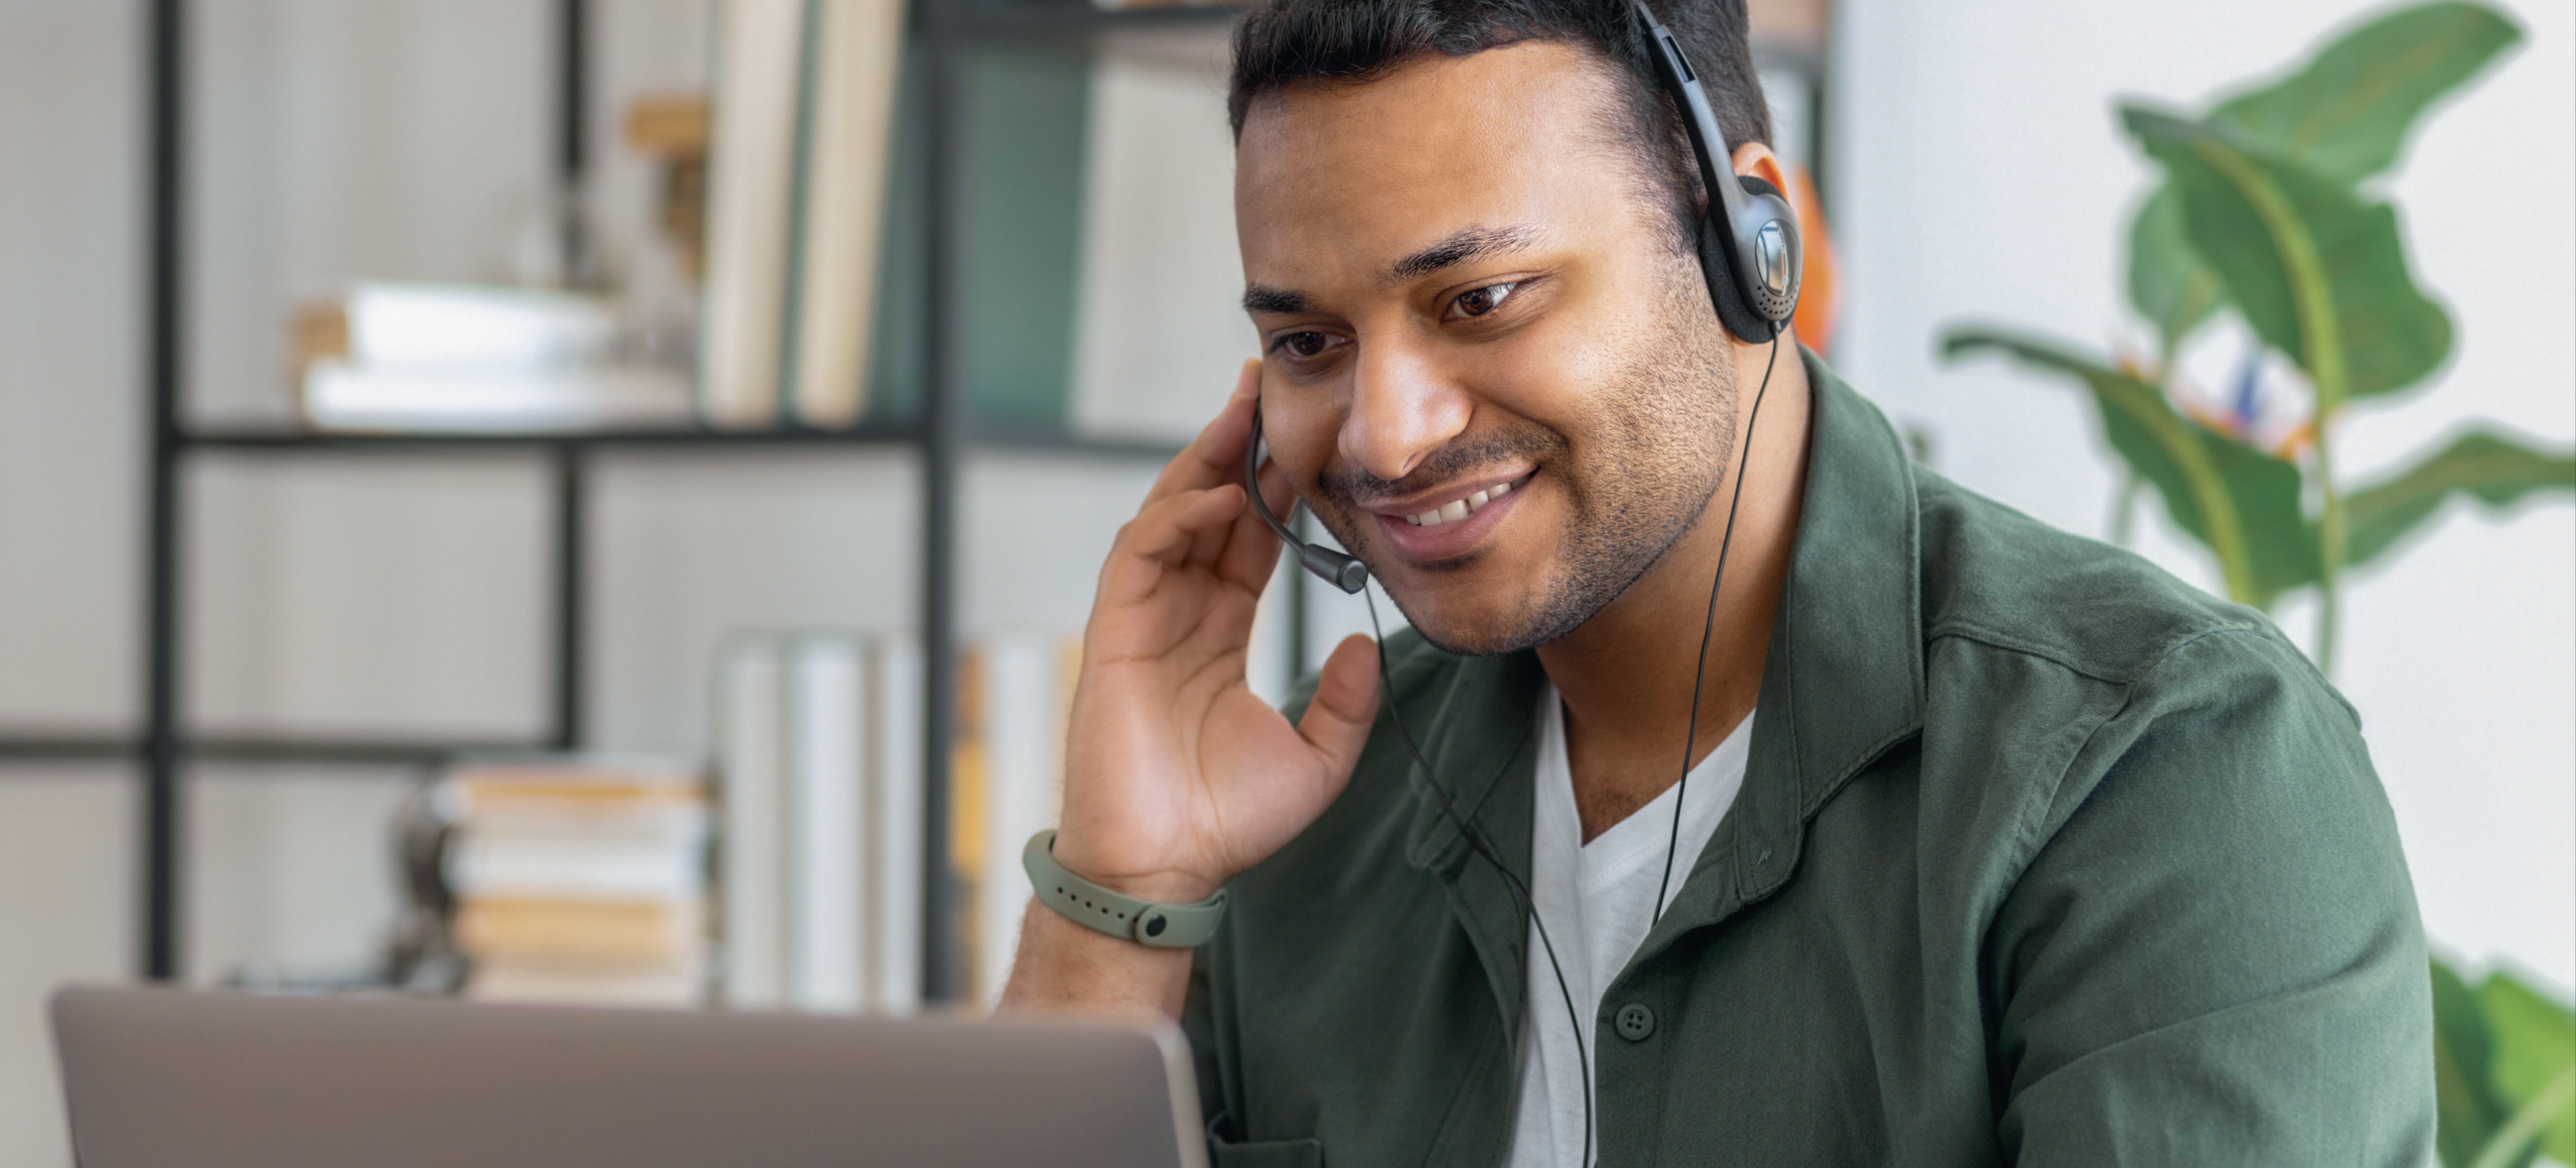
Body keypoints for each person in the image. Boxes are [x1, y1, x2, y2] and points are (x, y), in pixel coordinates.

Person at [1000, 0, 2433, 1164]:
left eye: (1478, 300)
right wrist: (1118, 898)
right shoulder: (1315, 811)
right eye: (1311, 342)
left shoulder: (2169, 774)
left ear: (1752, 242)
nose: (1384, 433)